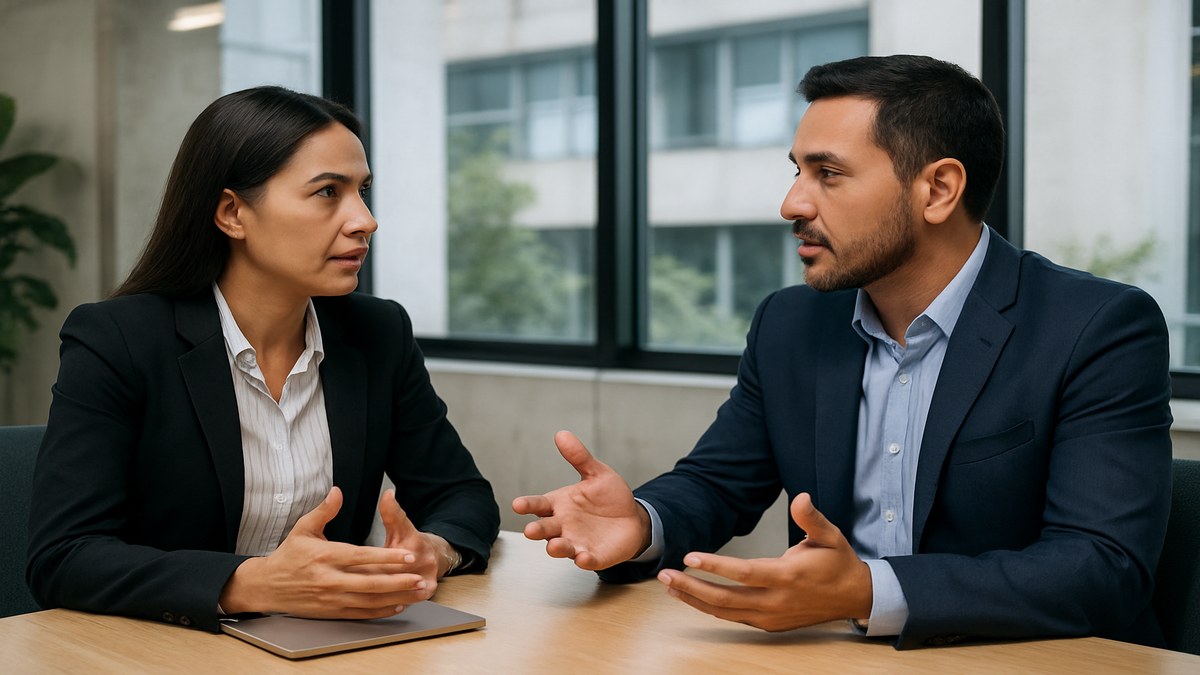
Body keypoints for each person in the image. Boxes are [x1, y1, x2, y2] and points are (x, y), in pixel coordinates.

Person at [513, 55, 1173, 649]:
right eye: (797, 171)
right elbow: (718, 483)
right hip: (834, 659)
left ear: (939, 189)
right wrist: (642, 521)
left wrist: (867, 590)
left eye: (828, 173)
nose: (790, 203)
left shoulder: (1096, 327)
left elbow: (1102, 565)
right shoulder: (790, 322)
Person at [27, 86, 500, 633]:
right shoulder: (118, 339)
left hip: (335, 644)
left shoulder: (377, 333)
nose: (364, 220)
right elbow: (64, 555)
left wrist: (431, 552)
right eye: (328, 192)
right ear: (233, 213)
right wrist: (253, 583)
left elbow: (460, 493)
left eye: (362, 192)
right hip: (164, 649)